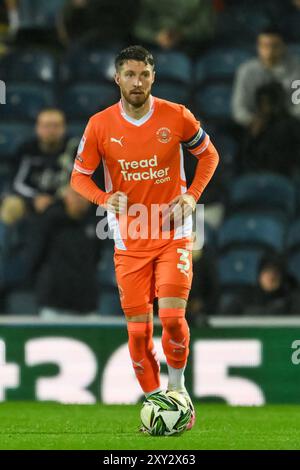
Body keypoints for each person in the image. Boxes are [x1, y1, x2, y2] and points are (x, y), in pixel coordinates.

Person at [71, 45, 219, 429]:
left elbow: (209, 156)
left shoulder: (177, 115)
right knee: (138, 333)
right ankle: (158, 408)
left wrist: (191, 195)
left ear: (154, 77)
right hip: (129, 239)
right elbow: (78, 177)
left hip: (173, 233)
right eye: (130, 75)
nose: (138, 82)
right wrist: (105, 199)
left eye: (145, 75)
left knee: (171, 318)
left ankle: (178, 391)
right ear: (116, 78)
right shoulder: (99, 125)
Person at [22, 186, 101, 318]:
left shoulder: (94, 223)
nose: (81, 200)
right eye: (77, 195)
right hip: (54, 305)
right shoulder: (50, 221)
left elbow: (96, 257)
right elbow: (35, 256)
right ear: (66, 197)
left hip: (87, 306)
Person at [0, 108, 77, 225]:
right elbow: (16, 183)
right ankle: (7, 243)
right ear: (38, 128)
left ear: (64, 128)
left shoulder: (74, 149)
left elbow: (83, 180)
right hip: (31, 200)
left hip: (63, 200)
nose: (51, 130)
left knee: (78, 202)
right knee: (11, 205)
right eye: (46, 126)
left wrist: (61, 198)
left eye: (56, 126)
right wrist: (34, 199)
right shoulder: (26, 149)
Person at [232, 27, 300, 127]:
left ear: (284, 47)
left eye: (275, 46)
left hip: (291, 125)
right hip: (258, 126)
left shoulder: (297, 67)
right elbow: (239, 109)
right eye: (264, 46)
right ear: (258, 47)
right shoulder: (247, 71)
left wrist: (286, 120)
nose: (270, 50)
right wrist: (253, 121)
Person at [242, 82, 300, 176]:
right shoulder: (256, 125)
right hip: (258, 174)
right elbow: (246, 157)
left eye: (268, 102)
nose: (265, 107)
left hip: (286, 174)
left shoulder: (292, 124)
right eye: (262, 103)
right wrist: (253, 136)